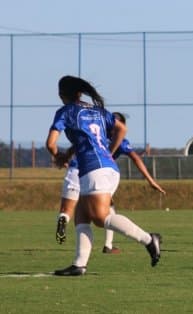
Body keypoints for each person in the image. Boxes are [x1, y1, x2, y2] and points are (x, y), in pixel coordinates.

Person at [46, 75, 161, 276]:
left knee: (100, 218)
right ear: (80, 93)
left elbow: (50, 143)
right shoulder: (97, 111)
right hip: (105, 167)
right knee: (81, 214)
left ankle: (149, 240)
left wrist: (57, 156)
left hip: (93, 168)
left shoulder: (66, 112)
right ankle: (79, 264)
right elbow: (121, 128)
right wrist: (109, 150)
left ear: (61, 94)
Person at [55, 112, 166, 254]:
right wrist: (151, 180)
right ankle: (118, 244)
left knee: (72, 211)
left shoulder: (92, 135)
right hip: (98, 174)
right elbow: (136, 158)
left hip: (75, 171)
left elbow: (73, 147)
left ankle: (65, 223)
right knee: (104, 214)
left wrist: (64, 156)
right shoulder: (120, 140)